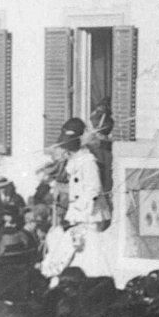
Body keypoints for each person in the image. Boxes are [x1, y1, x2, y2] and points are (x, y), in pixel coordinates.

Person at [57, 118, 112, 276]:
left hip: (90, 213)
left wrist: (82, 208)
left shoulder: (88, 161)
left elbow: (94, 188)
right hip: (79, 212)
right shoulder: (75, 160)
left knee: (91, 249)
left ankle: (94, 277)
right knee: (79, 248)